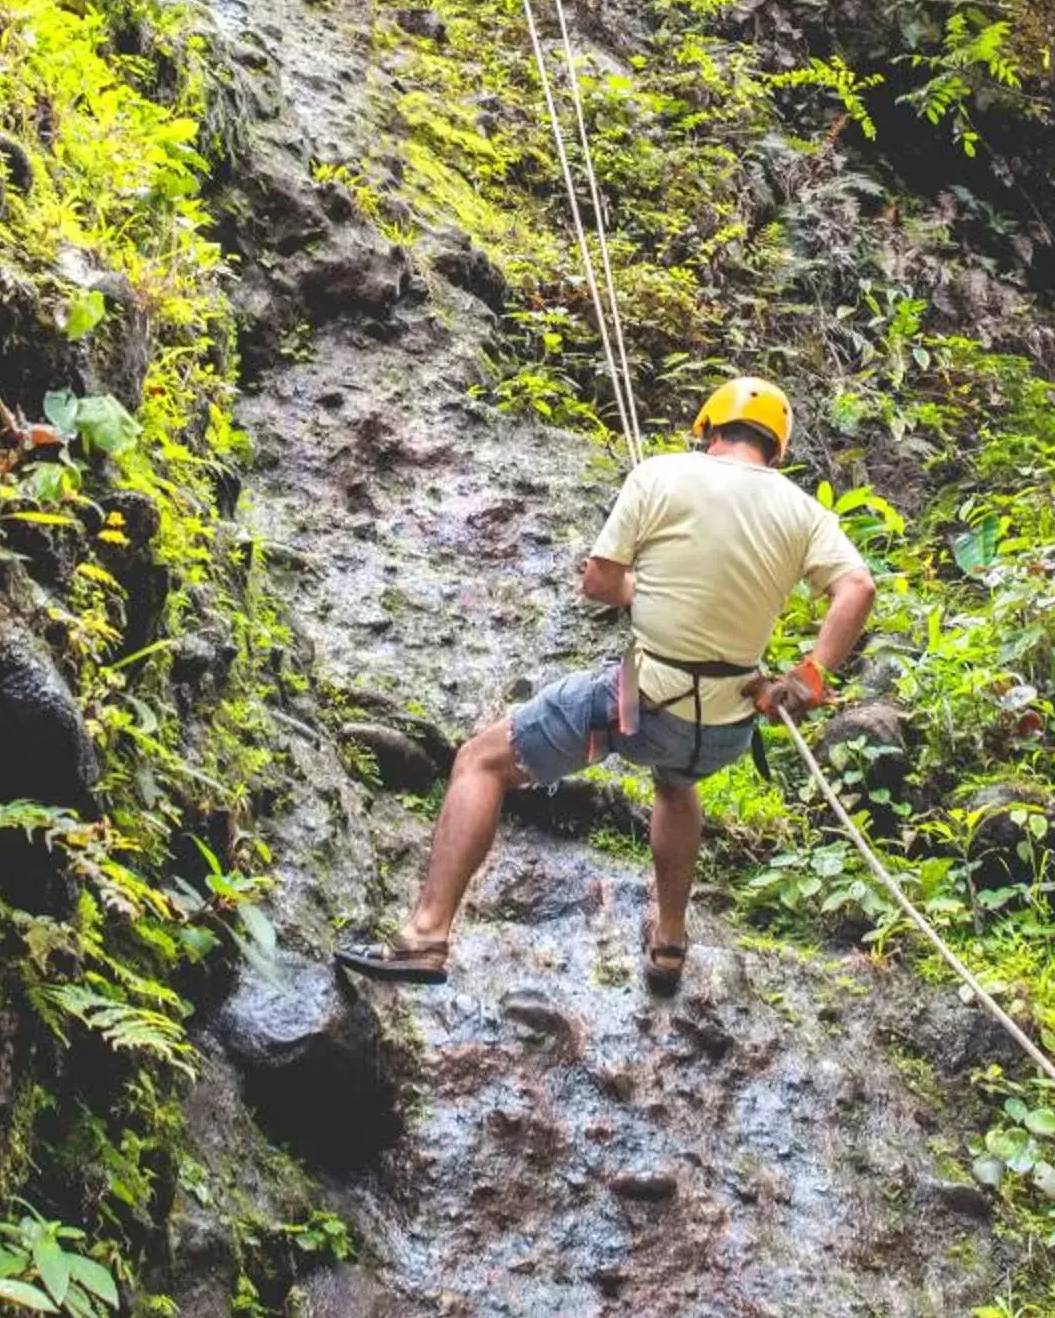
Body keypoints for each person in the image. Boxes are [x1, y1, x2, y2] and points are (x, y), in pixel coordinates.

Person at [335, 377, 876, 995]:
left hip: (639, 710)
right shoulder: (802, 509)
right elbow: (857, 587)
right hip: (723, 731)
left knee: (480, 762)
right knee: (677, 783)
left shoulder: (661, 474)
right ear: (775, 448)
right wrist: (809, 678)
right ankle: (669, 942)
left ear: (708, 430)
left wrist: (637, 591)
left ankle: (426, 936)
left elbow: (598, 582)